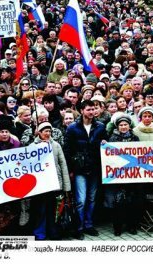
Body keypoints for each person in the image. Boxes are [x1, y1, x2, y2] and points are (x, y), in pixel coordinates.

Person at [63, 100, 107, 239]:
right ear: (82, 110)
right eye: (89, 109)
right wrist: (70, 170)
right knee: (80, 200)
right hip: (79, 169)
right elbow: (67, 151)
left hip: (94, 168)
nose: (92, 112)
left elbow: (105, 145)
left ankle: (88, 224)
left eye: (94, 109)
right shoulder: (72, 128)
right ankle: (79, 227)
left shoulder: (100, 126)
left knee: (92, 198)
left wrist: (105, 143)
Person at [103, 113, 143, 236]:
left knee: (132, 201)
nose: (123, 127)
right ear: (117, 126)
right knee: (119, 202)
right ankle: (118, 227)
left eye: (125, 124)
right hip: (118, 175)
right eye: (121, 125)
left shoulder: (135, 138)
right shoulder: (112, 138)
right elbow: (109, 156)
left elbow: (140, 154)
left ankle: (132, 226)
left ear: (129, 126)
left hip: (132, 174)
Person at [31, 122, 71, 240]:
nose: (48, 134)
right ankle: (40, 233)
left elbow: (63, 164)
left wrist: (66, 186)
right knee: (40, 210)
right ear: (39, 133)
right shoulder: (32, 146)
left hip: (55, 183)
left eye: (49, 131)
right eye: (45, 131)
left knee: (54, 210)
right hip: (40, 185)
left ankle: (53, 232)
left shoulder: (56, 145)